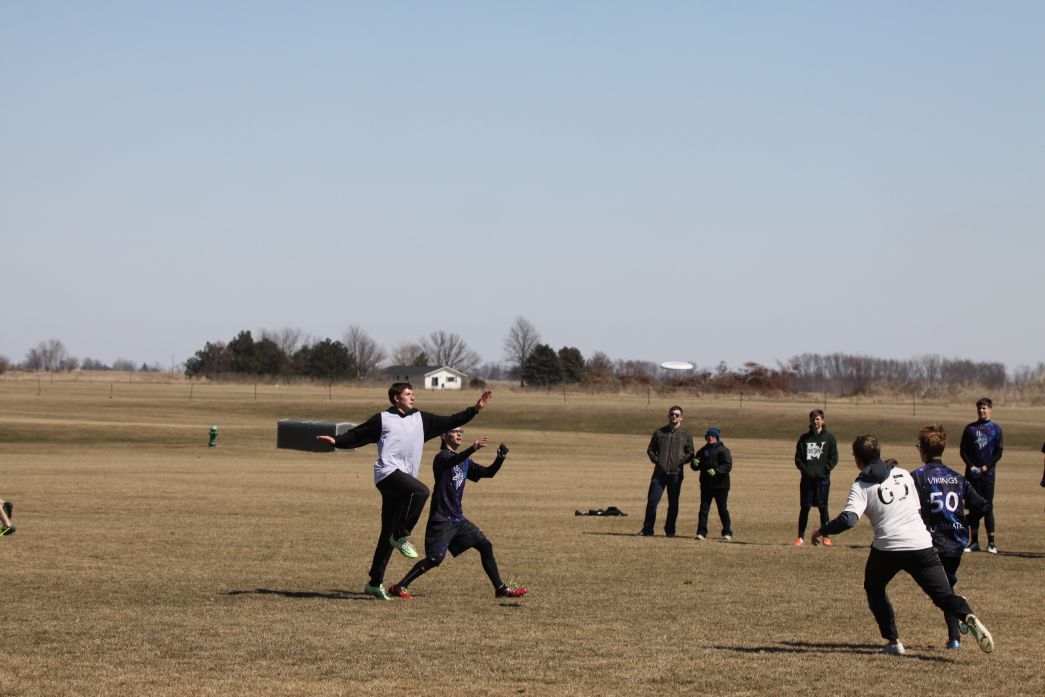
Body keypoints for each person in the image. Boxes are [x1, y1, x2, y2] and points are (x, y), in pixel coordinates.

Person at [812, 435, 994, 656]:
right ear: (878, 454)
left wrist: (823, 530)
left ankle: (893, 641)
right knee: (943, 596)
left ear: (858, 460)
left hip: (887, 548)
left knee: (874, 587)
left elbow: (849, 519)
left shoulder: (861, 485)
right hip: (921, 544)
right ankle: (965, 613)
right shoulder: (903, 474)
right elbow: (916, 509)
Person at [317, 383, 492, 600]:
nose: (413, 397)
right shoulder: (382, 419)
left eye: (413, 393)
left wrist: (475, 409)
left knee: (387, 533)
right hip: (387, 474)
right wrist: (336, 441)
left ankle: (374, 582)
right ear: (396, 398)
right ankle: (401, 536)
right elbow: (358, 434)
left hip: (403, 482)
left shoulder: (421, 420)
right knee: (421, 491)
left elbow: (451, 421)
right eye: (408, 394)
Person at [388, 428, 526, 600]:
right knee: (435, 559)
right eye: (455, 431)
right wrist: (472, 448)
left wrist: (500, 457)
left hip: (458, 520)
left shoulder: (465, 461)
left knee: (485, 545)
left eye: (461, 431)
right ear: (444, 436)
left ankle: (500, 589)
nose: (459, 434)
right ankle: (399, 586)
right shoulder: (441, 458)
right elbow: (453, 460)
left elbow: (488, 473)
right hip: (441, 520)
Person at [910, 425, 990, 650]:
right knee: (946, 587)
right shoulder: (957, 477)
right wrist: (966, 520)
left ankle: (958, 623)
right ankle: (955, 634)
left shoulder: (917, 477)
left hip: (930, 543)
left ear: (923, 450)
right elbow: (983, 505)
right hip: (956, 542)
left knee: (941, 592)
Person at [640, 406, 694, 537]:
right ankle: (647, 530)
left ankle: (670, 530)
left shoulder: (685, 435)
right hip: (659, 474)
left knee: (673, 503)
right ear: (668, 416)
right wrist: (657, 460)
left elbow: (690, 452)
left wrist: (680, 462)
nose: (674, 416)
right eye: (672, 414)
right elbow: (650, 449)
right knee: (652, 501)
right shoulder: (659, 432)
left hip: (676, 474)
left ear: (681, 417)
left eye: (677, 415)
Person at [959, 397, 1003, 553]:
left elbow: (999, 452)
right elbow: (963, 450)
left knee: (987, 506)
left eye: (984, 408)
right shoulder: (970, 429)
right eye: (979, 408)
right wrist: (971, 466)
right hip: (972, 475)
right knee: (973, 506)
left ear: (990, 410)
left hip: (988, 475)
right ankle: (974, 542)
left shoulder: (995, 429)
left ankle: (991, 543)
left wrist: (986, 467)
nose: (981, 411)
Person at [793, 409, 839, 546]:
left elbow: (834, 458)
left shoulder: (829, 438)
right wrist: (806, 471)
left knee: (823, 508)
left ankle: (826, 536)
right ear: (810, 421)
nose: (815, 421)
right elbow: (798, 459)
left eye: (818, 419)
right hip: (807, 480)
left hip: (823, 480)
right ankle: (800, 537)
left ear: (822, 420)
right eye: (813, 419)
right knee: (805, 508)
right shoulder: (804, 439)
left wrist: (824, 470)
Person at [692, 427, 733, 541]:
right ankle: (701, 532)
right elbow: (695, 467)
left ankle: (727, 532)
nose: (710, 438)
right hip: (706, 485)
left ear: (717, 437)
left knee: (722, 509)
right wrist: (694, 463)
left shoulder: (723, 450)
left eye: (712, 436)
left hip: (721, 486)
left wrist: (716, 471)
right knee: (704, 509)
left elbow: (727, 465)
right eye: (708, 436)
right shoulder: (702, 451)